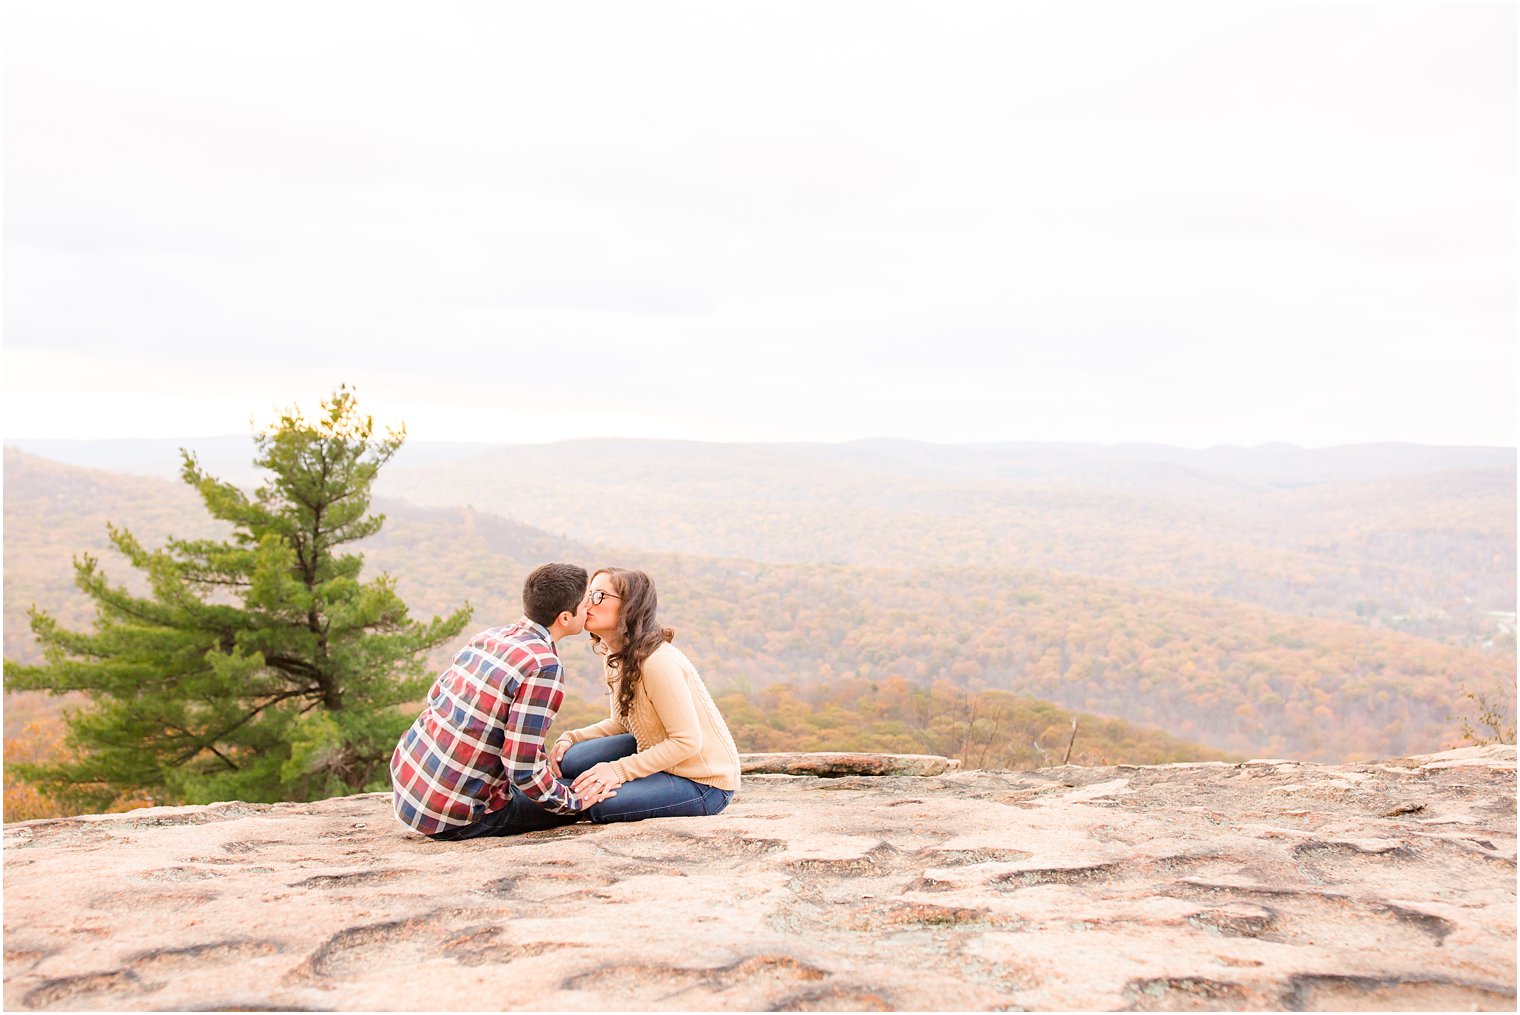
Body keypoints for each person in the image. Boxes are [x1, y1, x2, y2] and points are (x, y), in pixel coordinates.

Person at [389, 562, 615, 840]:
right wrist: (573, 802)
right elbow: (522, 769)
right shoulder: (543, 667)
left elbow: (436, 697)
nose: (590, 608)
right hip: (454, 817)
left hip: (409, 789)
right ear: (566, 618)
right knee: (581, 792)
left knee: (552, 782)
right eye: (585, 604)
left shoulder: (489, 637)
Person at [548, 566, 740, 823]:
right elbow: (622, 722)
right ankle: (568, 785)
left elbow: (686, 742)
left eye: (599, 596)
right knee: (571, 760)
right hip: (658, 752)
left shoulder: (658, 662)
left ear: (629, 607)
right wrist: (571, 737)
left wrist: (617, 771)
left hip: (701, 782)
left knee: (597, 804)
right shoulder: (614, 655)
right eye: (588, 595)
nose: (587, 603)